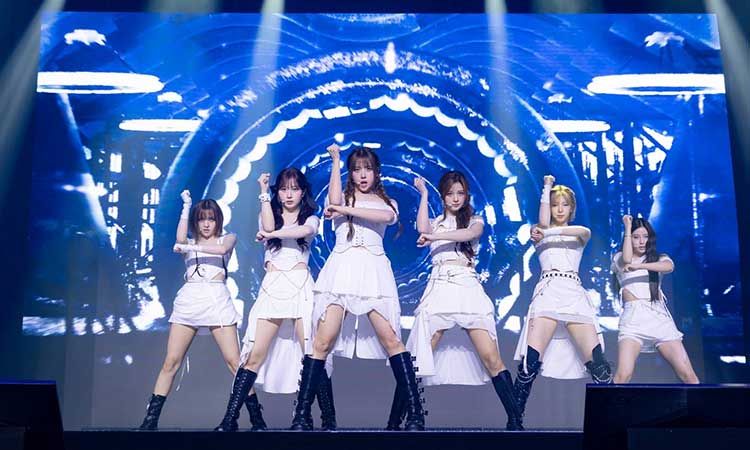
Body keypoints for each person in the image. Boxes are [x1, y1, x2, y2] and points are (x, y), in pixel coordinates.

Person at [289, 144, 425, 431]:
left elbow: (386, 217)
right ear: (350, 173)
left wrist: (343, 209)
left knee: (391, 339)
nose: (363, 175)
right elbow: (334, 200)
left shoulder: (387, 203)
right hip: (342, 268)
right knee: (322, 342)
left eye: (368, 169)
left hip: (373, 271)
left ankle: (415, 414)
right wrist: (336, 160)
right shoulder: (341, 197)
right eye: (356, 170)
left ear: (376, 172)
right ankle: (301, 415)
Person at [512, 175, 612, 429]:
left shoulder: (579, 233)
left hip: (573, 294)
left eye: (564, 204)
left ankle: (610, 425)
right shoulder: (540, 233)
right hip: (548, 292)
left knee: (599, 366)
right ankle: (514, 421)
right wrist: (546, 187)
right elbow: (542, 224)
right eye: (555, 204)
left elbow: (583, 231)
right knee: (529, 364)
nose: (559, 209)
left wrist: (547, 231)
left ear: (571, 208)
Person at [611, 215, 699, 384]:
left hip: (659, 317)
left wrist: (640, 266)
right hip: (633, 320)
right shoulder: (619, 259)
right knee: (623, 375)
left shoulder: (659, 258)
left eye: (645, 236)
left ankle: (701, 402)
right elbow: (628, 259)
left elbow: (669, 267)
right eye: (636, 237)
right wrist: (627, 227)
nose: (641, 241)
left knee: (688, 375)